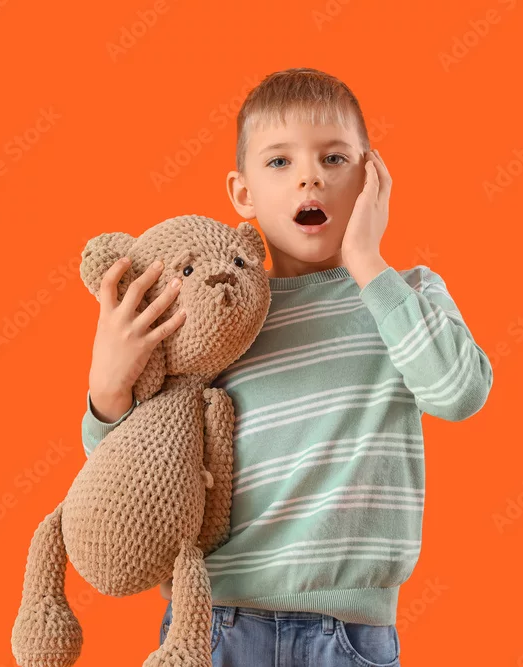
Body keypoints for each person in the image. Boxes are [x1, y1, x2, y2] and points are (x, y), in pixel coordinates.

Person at [83, 67, 493, 666]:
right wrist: (108, 386)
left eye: (334, 158)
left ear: (371, 178)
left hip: (347, 634)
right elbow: (130, 466)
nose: (310, 176)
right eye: (280, 161)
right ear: (242, 193)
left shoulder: (403, 295)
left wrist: (367, 262)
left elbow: (458, 393)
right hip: (214, 624)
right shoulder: (215, 315)